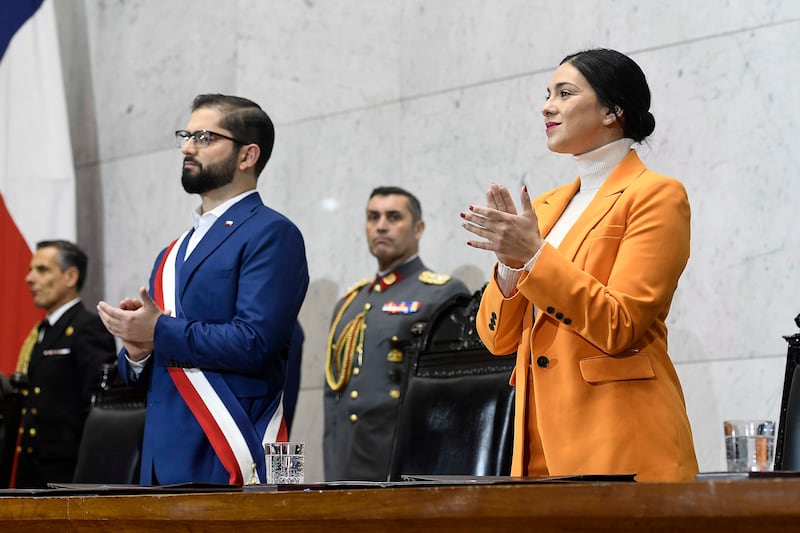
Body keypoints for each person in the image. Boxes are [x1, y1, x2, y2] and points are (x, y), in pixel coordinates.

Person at [461, 48, 698, 482]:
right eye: (548, 93)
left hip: (621, 445)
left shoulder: (656, 195)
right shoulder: (546, 206)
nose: (546, 106)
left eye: (564, 93)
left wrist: (534, 256)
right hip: (534, 449)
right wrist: (512, 267)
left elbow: (620, 323)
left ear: (613, 110)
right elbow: (497, 340)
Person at [97, 94, 309, 486]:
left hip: (231, 452)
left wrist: (158, 330)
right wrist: (138, 350)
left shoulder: (273, 233)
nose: (186, 147)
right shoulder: (170, 253)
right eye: (186, 135)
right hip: (161, 461)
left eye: (204, 137)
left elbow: (255, 342)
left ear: (247, 156)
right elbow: (145, 378)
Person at [324, 186, 469, 481]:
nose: (380, 225)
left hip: (404, 461)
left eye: (393, 217)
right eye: (372, 216)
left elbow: (451, 396)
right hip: (345, 461)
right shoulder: (349, 304)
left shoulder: (442, 292)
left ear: (418, 228)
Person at [11, 240, 116, 488]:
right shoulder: (43, 331)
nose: (29, 278)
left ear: (70, 276)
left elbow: (97, 406)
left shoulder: (87, 327)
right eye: (31, 269)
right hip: (33, 468)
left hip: (68, 472)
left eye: (42, 270)